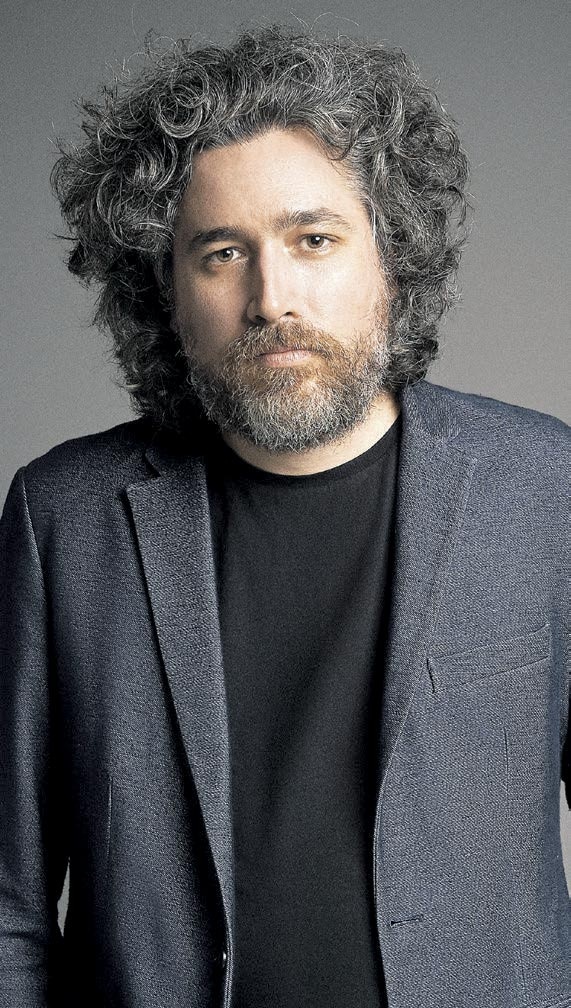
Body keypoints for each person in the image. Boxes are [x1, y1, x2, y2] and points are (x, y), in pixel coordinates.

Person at [0, 22, 569, 1008]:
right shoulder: (64, 519)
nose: (271, 298)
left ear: (391, 258)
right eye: (222, 252)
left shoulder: (545, 488)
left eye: (314, 240)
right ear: (165, 288)